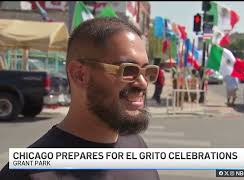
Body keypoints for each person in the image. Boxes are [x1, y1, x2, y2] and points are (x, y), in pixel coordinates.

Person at [0, 17, 160, 180]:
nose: (143, 83)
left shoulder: (137, 147)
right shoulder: (27, 173)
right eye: (128, 70)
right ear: (80, 75)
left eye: (147, 71)